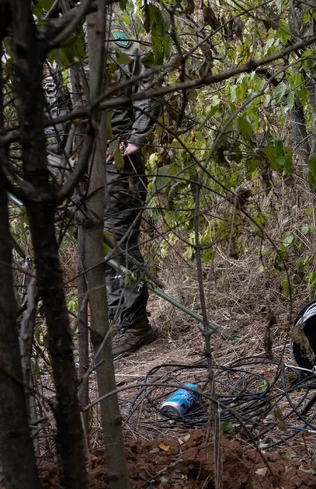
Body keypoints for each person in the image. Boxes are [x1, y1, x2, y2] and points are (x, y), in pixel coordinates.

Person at [105, 22, 162, 356]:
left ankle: (135, 324)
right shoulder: (55, 40)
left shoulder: (109, 36)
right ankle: (118, 318)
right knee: (102, 245)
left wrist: (136, 136)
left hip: (117, 164)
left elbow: (148, 79)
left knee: (120, 242)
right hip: (81, 165)